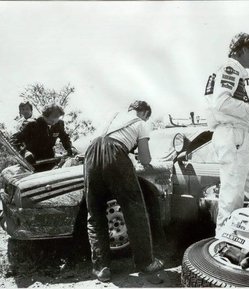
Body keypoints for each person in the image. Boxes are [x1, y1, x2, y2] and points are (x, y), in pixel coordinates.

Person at [84, 100, 163, 282]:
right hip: (115, 153)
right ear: (143, 113)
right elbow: (144, 158)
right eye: (147, 116)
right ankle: (146, 263)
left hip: (90, 154)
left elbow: (98, 142)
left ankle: (101, 268)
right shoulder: (140, 123)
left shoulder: (111, 117)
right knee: (135, 210)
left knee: (95, 214)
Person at [204, 32, 249, 234]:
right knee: (232, 197)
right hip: (233, 136)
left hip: (239, 137)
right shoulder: (231, 67)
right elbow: (222, 102)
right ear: (242, 50)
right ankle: (225, 240)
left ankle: (243, 235)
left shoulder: (229, 72)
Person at [10, 104, 76, 171]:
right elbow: (14, 140)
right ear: (45, 116)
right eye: (53, 118)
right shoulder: (31, 124)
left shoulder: (59, 124)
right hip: (31, 162)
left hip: (50, 160)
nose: (55, 121)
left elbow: (65, 137)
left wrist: (69, 148)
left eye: (57, 118)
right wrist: (25, 153)